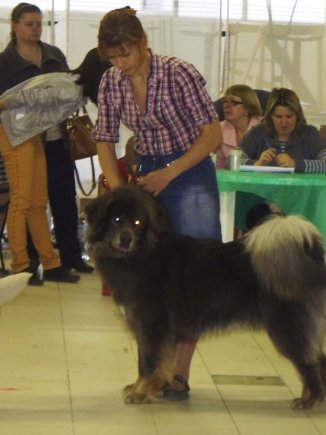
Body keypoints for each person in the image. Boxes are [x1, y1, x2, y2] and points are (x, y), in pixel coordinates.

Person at [94, 6, 222, 401]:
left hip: (191, 171)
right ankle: (151, 372)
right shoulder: (112, 82)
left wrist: (172, 172)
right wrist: (118, 189)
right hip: (145, 177)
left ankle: (177, 375)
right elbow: (104, 137)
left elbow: (213, 135)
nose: (121, 63)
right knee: (147, 287)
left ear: (143, 44)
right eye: (114, 57)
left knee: (194, 277)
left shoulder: (178, 73)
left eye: (126, 53)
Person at [0, 4, 107, 284]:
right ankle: (23, 264)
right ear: (14, 26)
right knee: (22, 200)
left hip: (49, 136)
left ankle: (52, 262)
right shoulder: (4, 62)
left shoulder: (53, 55)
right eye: (29, 23)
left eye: (39, 23)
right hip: (15, 133)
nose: (35, 28)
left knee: (42, 201)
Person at [239, 87, 326, 173]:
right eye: (278, 116)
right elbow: (231, 161)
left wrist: (296, 164)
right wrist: (256, 164)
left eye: (289, 116)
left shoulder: (310, 134)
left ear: (297, 115)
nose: (284, 122)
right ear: (270, 116)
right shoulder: (258, 133)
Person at [215, 84, 262, 170]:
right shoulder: (219, 129)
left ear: (248, 107)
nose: (226, 105)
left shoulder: (264, 127)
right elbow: (218, 166)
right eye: (225, 101)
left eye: (233, 102)